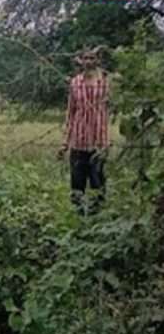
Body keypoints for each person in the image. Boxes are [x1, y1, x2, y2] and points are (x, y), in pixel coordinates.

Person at [58, 48, 110, 214]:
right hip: (78, 141)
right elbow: (70, 112)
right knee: (77, 184)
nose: (88, 61)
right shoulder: (75, 83)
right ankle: (79, 217)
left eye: (92, 58)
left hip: (98, 142)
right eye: (85, 58)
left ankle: (97, 219)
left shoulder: (105, 83)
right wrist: (65, 143)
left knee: (97, 182)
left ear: (97, 61)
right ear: (80, 61)